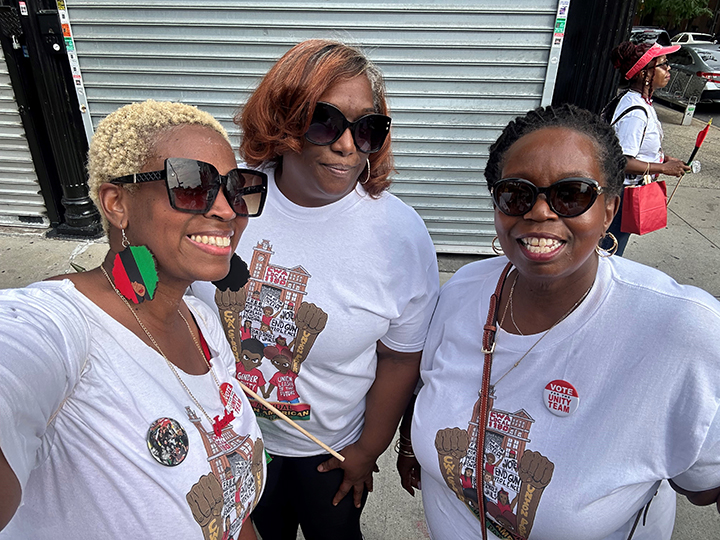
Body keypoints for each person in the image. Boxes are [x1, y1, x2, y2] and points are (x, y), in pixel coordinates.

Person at [397, 104, 720, 540]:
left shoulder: (680, 332)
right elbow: (426, 389)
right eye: (517, 194)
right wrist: (412, 447)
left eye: (571, 194)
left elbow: (705, 485)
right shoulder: (461, 293)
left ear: (609, 210)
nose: (540, 212)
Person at [191, 39, 439, 540]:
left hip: (331, 454)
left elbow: (400, 356)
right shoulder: (228, 201)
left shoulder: (401, 236)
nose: (347, 145)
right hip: (234, 440)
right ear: (283, 119)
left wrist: (367, 450)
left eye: (367, 128)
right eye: (324, 121)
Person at [0, 100, 268, 539]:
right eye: (191, 184)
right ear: (116, 203)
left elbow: (234, 515)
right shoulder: (60, 327)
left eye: (236, 188)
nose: (226, 210)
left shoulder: (201, 322)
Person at [601, 40, 690, 256]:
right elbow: (622, 161)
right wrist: (663, 168)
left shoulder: (641, 102)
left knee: (610, 250)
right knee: (608, 254)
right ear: (644, 73)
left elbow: (638, 148)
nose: (669, 69)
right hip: (621, 194)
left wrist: (664, 158)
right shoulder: (636, 112)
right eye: (663, 64)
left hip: (625, 193)